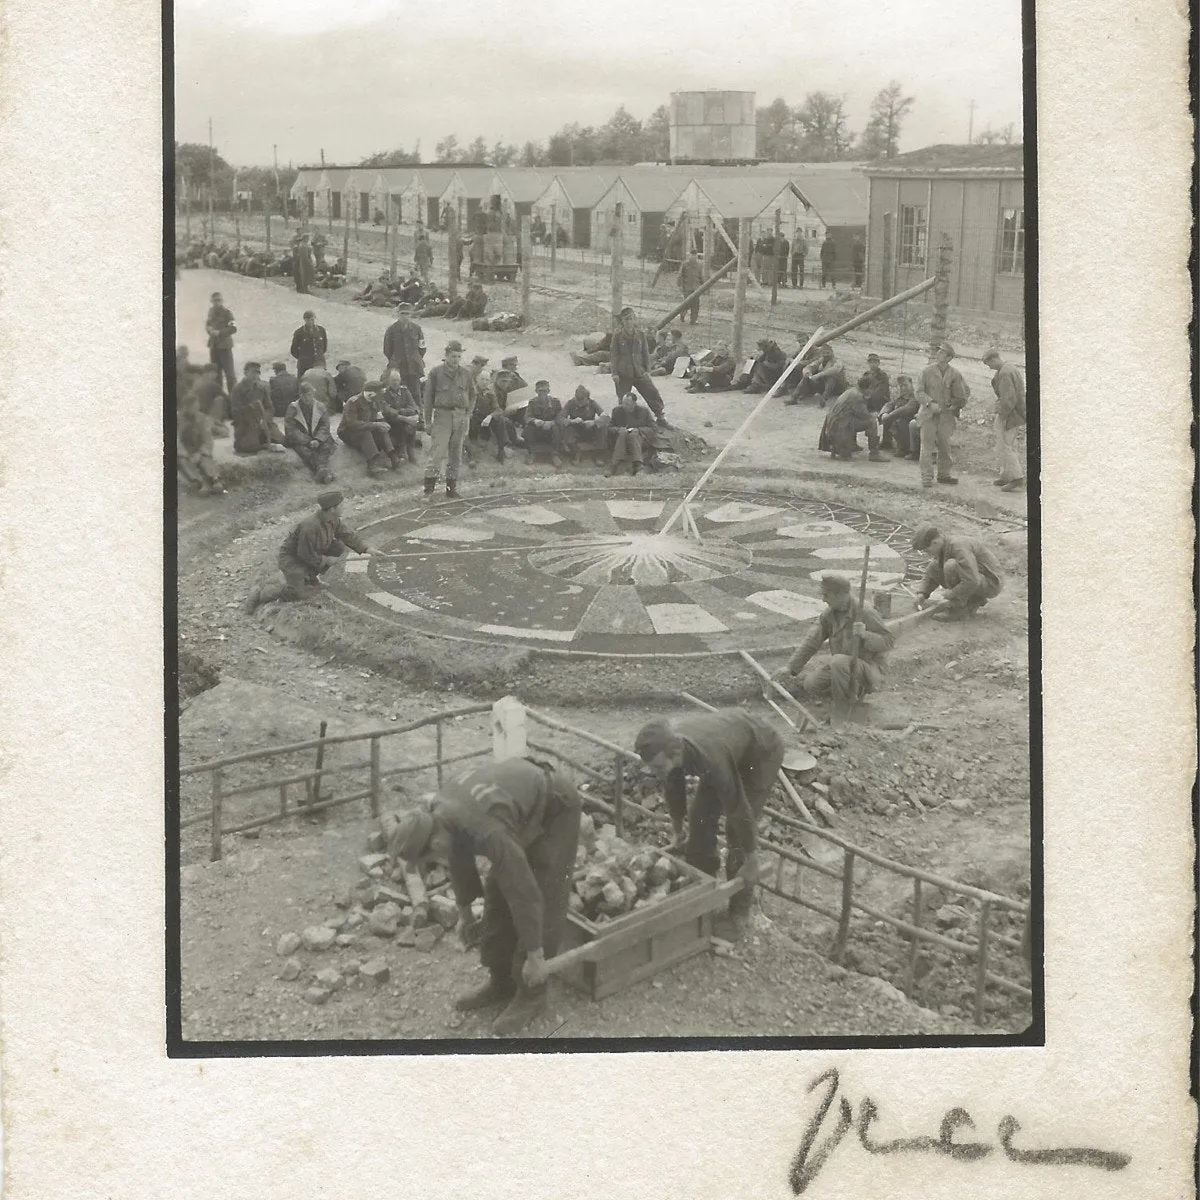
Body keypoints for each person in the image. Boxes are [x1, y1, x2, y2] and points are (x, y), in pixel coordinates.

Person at [388, 757, 582, 1035]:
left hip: (555, 807)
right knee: (497, 890)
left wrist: (536, 955)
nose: (435, 861)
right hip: (517, 813)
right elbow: (457, 856)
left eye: (430, 857)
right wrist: (465, 913)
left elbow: (524, 893)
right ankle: (501, 980)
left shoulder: (483, 829)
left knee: (543, 890)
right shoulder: (442, 817)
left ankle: (533, 994)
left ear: (434, 841)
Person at [634, 708, 785, 938]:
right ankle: (702, 888)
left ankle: (739, 913)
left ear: (674, 752)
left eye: (657, 766)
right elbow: (673, 783)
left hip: (761, 753)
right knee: (699, 816)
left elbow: (737, 806)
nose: (656, 773)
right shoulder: (673, 751)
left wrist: (752, 858)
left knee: (736, 830)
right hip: (731, 748)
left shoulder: (709, 758)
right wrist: (677, 829)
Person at [774, 573, 895, 710]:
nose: (823, 599)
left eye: (826, 595)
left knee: (837, 661)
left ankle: (845, 706)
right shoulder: (829, 614)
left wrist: (865, 635)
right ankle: (844, 689)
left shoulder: (865, 612)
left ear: (840, 595)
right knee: (811, 684)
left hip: (869, 669)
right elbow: (811, 641)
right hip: (843, 668)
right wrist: (791, 667)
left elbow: (889, 641)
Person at [244, 490, 381, 612]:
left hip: (311, 554)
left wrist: (368, 549)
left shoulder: (333, 519)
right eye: (341, 505)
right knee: (299, 595)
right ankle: (260, 593)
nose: (344, 507)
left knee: (338, 546)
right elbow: (304, 554)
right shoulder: (310, 527)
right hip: (293, 560)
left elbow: (347, 535)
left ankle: (311, 579)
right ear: (333, 508)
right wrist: (326, 560)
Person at [911, 525, 1005, 618]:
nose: (928, 553)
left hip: (992, 583)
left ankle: (957, 610)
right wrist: (922, 593)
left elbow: (972, 580)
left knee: (950, 566)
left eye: (927, 550)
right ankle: (974, 599)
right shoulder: (946, 546)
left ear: (935, 542)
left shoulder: (958, 547)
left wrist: (951, 594)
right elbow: (932, 572)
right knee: (935, 565)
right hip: (980, 578)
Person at [422, 339, 475, 498]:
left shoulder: (466, 373)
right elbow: (428, 398)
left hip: (460, 416)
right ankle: (428, 490)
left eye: (458, 356)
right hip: (442, 415)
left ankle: (451, 489)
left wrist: (468, 414)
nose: (456, 360)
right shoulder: (436, 372)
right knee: (437, 453)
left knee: (455, 453)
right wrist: (428, 421)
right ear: (446, 355)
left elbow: (473, 395)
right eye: (453, 356)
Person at [917, 341, 969, 487]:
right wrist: (929, 403)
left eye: (942, 353)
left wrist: (955, 405)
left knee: (945, 447)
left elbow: (962, 395)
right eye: (938, 351)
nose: (938, 354)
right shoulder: (926, 371)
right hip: (928, 415)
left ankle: (944, 474)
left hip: (946, 417)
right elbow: (918, 392)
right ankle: (926, 477)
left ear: (948, 358)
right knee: (926, 447)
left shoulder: (955, 374)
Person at [609, 307, 667, 426]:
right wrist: (614, 373)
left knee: (652, 393)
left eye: (631, 319)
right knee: (624, 399)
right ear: (622, 322)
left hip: (639, 371)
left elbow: (645, 353)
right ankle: (622, 423)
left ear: (635, 320)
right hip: (623, 373)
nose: (629, 322)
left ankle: (660, 417)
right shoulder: (617, 336)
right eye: (626, 320)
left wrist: (648, 370)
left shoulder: (640, 335)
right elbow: (613, 356)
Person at [818, 374, 889, 462]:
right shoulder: (857, 396)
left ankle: (852, 445)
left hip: (835, 423)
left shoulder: (852, 391)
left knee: (853, 418)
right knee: (872, 422)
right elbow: (864, 415)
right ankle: (874, 454)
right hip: (839, 426)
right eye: (872, 388)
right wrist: (874, 415)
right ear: (867, 388)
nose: (873, 391)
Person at [983, 349, 1026, 491]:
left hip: (1009, 415)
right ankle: (1006, 475)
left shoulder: (1005, 373)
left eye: (988, 364)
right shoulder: (1010, 367)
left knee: (1005, 447)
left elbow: (1008, 399)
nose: (989, 367)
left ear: (994, 359)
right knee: (1005, 446)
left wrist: (1002, 416)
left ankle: (1016, 478)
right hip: (1015, 413)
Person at [339, 379, 396, 475]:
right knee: (365, 431)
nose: (381, 397)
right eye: (379, 394)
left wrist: (383, 424)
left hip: (365, 429)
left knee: (381, 429)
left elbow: (380, 415)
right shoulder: (353, 402)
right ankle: (372, 465)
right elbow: (352, 424)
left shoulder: (375, 401)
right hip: (348, 432)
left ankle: (393, 456)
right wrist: (374, 425)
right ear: (370, 395)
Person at [283, 377, 335, 483]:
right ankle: (322, 470)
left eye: (310, 395)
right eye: (304, 396)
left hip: (317, 437)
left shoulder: (320, 406)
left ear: (313, 394)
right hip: (301, 439)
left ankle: (321, 470)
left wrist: (318, 439)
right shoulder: (293, 407)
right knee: (304, 450)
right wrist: (308, 441)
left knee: (326, 444)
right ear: (300, 396)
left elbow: (325, 425)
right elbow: (290, 429)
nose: (308, 398)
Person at [177, 382, 224, 496]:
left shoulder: (202, 418)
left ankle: (214, 479)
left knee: (206, 458)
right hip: (185, 451)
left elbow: (207, 439)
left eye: (196, 405)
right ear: (185, 407)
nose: (196, 408)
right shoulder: (178, 419)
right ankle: (201, 482)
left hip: (199, 449)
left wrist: (200, 453)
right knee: (182, 461)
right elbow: (176, 440)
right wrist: (185, 453)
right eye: (192, 406)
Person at [230, 362, 284, 456]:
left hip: (263, 422)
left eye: (258, 373)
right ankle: (263, 444)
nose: (255, 375)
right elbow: (235, 412)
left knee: (282, 440)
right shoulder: (237, 389)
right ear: (246, 372)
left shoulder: (262, 388)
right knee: (246, 447)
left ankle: (264, 441)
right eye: (253, 372)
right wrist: (250, 409)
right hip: (246, 425)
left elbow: (270, 408)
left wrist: (264, 419)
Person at [383, 303, 427, 402]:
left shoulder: (417, 329)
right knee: (398, 392)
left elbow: (422, 348)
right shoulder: (391, 330)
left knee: (416, 393)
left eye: (407, 313)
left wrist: (416, 358)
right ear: (398, 314)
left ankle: (418, 415)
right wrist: (396, 359)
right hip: (399, 366)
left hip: (414, 367)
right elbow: (387, 350)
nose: (405, 316)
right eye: (402, 313)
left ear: (410, 314)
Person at [607, 391, 654, 476]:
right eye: (623, 403)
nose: (624, 406)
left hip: (639, 440)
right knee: (622, 434)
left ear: (634, 403)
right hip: (621, 440)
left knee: (633, 435)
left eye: (627, 404)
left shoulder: (644, 411)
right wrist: (618, 429)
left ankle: (638, 465)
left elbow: (653, 428)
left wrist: (639, 430)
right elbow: (609, 427)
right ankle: (614, 465)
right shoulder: (617, 410)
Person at [784, 343, 845, 408]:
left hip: (837, 387)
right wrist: (807, 372)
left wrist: (817, 376)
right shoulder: (821, 360)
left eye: (827, 353)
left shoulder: (837, 361)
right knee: (806, 377)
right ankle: (794, 398)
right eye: (824, 353)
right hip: (823, 385)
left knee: (831, 377)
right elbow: (810, 366)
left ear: (832, 353)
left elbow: (832, 371)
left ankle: (823, 399)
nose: (826, 355)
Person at [381, 369, 422, 463]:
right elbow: (388, 411)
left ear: (400, 380)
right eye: (393, 380)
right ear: (389, 381)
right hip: (392, 422)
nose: (395, 382)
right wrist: (403, 414)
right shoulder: (384, 393)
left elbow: (414, 406)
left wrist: (404, 411)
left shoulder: (405, 390)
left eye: (397, 380)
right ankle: (403, 450)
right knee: (405, 423)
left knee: (409, 423)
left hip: (403, 419)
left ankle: (409, 449)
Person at [559, 385, 609, 462]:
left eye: (582, 400)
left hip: (590, 430)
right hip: (576, 431)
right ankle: (575, 454)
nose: (579, 403)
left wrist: (594, 422)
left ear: (587, 399)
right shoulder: (571, 403)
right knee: (567, 428)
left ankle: (598, 455)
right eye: (578, 400)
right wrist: (572, 421)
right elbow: (560, 418)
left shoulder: (592, 403)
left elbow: (605, 417)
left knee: (602, 427)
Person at [523, 380, 565, 467]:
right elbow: (527, 417)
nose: (542, 393)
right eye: (540, 391)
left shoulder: (555, 402)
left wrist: (552, 423)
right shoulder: (532, 402)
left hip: (551, 431)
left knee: (557, 427)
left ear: (548, 391)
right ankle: (532, 453)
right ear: (536, 391)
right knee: (528, 428)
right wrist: (535, 421)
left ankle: (555, 455)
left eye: (544, 391)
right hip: (538, 430)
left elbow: (561, 416)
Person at [879, 374, 920, 456]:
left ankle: (905, 449)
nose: (903, 388)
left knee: (900, 420)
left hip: (913, 421)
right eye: (901, 386)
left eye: (905, 385)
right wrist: (884, 413)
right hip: (900, 420)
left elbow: (908, 408)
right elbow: (889, 404)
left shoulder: (916, 396)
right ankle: (887, 442)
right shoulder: (900, 396)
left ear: (911, 384)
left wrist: (890, 415)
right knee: (888, 417)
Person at [204, 292, 237, 393]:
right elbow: (208, 324)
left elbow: (233, 328)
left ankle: (233, 397)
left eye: (218, 300)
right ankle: (219, 397)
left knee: (230, 375)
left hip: (225, 346)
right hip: (214, 346)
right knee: (216, 375)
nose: (216, 302)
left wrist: (219, 333)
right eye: (214, 300)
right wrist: (209, 330)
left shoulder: (227, 313)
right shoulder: (210, 312)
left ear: (222, 301)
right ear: (212, 302)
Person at [289, 310, 328, 379]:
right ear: (304, 320)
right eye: (308, 320)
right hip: (305, 365)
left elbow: (324, 347)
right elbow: (293, 350)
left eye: (312, 319)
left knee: (321, 382)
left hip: (319, 363)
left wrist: (319, 356)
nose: (310, 322)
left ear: (314, 319)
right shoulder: (299, 332)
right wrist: (303, 357)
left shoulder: (321, 330)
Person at [678, 252, 704, 324]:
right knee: (686, 304)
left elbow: (700, 276)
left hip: (696, 288)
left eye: (695, 256)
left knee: (696, 304)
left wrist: (703, 284)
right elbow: (680, 275)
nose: (693, 257)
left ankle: (693, 320)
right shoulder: (685, 264)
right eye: (692, 255)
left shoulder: (699, 265)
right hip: (687, 288)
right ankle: (682, 315)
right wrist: (679, 285)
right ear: (689, 256)